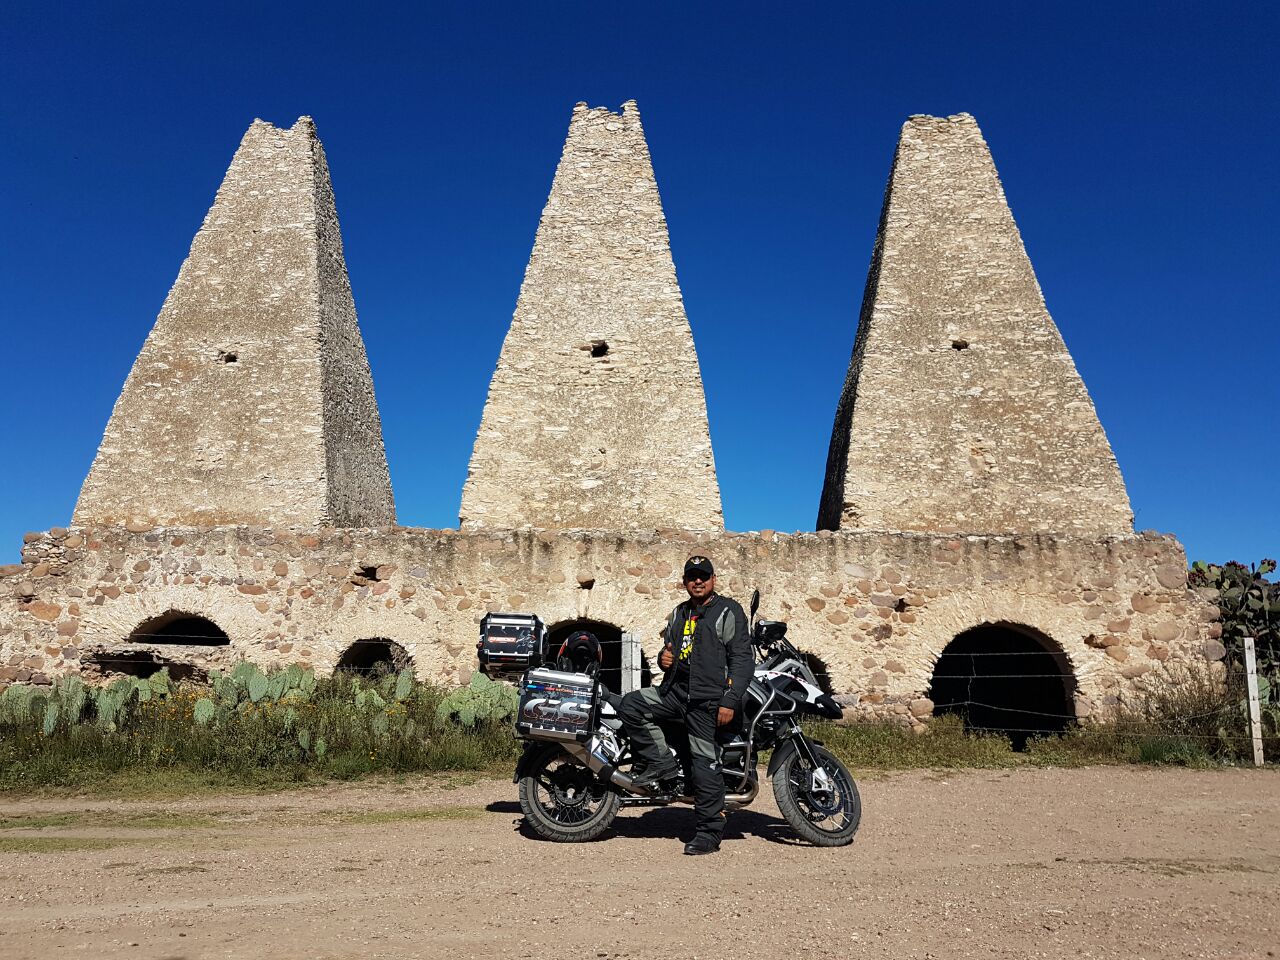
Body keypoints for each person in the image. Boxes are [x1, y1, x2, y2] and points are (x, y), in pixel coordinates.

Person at [618, 555, 753, 855]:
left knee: (704, 762)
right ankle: (663, 765)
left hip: (708, 700)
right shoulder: (679, 614)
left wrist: (730, 700)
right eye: (692, 576)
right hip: (675, 693)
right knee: (632, 705)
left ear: (713, 579)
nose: (698, 581)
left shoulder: (728, 611)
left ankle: (708, 832)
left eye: (703, 576)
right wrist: (662, 660)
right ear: (685, 582)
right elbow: (670, 653)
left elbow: (742, 660)